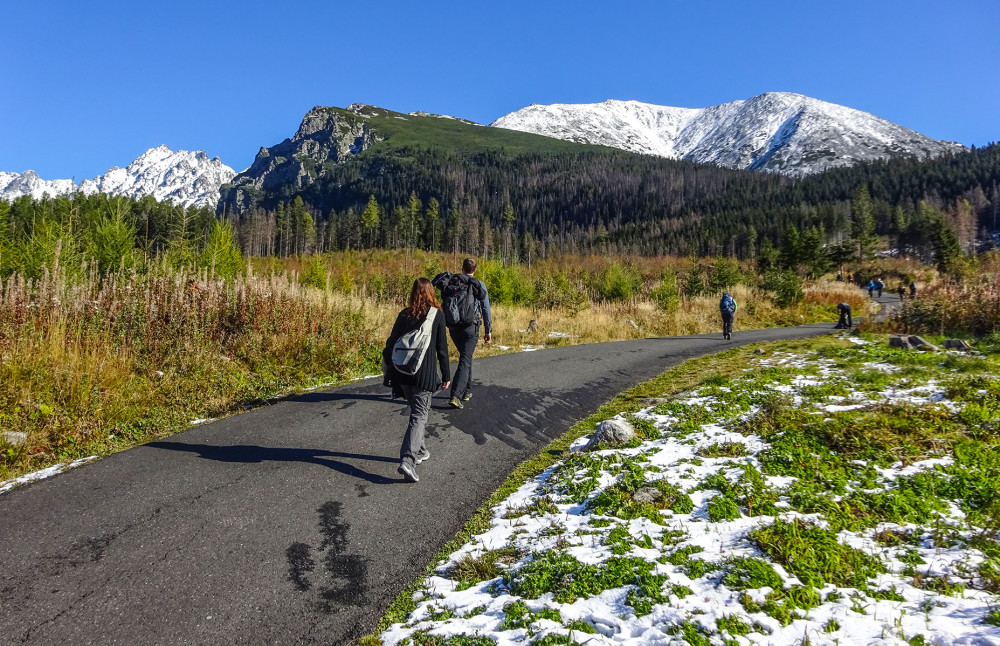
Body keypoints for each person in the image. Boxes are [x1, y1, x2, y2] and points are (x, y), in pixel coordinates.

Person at [383, 278, 451, 483]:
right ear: (431, 293)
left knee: (416, 412)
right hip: (424, 375)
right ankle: (408, 460)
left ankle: (420, 450)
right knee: (419, 416)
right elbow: (442, 349)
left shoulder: (404, 314)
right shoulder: (436, 314)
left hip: (403, 373)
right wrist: (446, 375)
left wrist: (391, 372)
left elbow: (389, 346)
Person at [432, 258, 492, 409]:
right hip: (470, 328)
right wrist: (488, 330)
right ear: (475, 270)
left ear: (462, 268)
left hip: (453, 327)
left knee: (466, 357)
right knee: (465, 359)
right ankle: (456, 395)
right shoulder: (478, 284)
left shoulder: (453, 281)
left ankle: (467, 391)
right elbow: (485, 308)